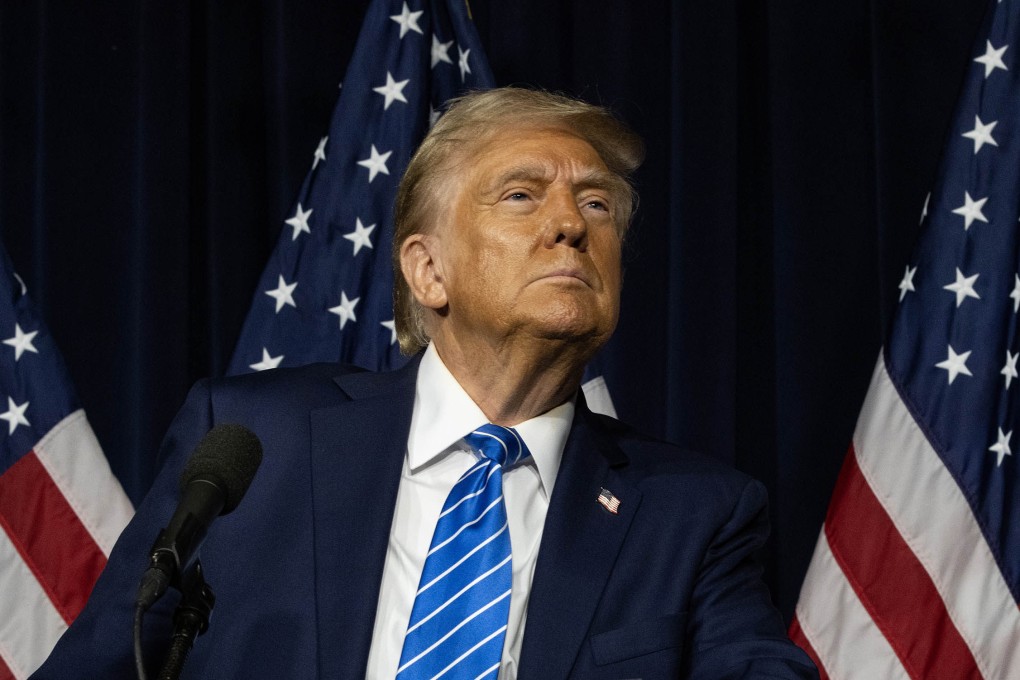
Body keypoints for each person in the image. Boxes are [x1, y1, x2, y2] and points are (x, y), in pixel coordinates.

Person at [33, 88, 817, 679]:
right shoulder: (253, 448)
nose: (572, 224)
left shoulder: (694, 514)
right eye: (522, 195)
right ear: (428, 270)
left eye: (597, 203)